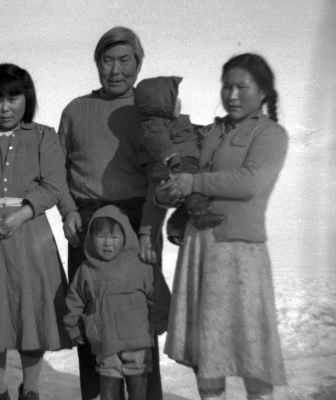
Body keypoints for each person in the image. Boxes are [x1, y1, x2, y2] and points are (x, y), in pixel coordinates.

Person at [160, 53, 288, 400]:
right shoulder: (211, 132)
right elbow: (182, 170)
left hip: (240, 255)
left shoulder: (271, 134)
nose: (232, 95)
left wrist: (192, 183)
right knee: (208, 349)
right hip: (200, 249)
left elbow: (248, 182)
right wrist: (170, 189)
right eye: (226, 86)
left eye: (241, 87)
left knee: (252, 348)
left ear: (262, 91)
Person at [57, 26, 165, 400]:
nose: (115, 70)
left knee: (139, 319)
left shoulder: (149, 114)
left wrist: (150, 230)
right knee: (91, 317)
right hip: (87, 224)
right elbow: (58, 169)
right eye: (107, 60)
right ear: (97, 64)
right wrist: (68, 210)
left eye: (125, 60)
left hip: (136, 222)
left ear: (139, 63)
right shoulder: (75, 110)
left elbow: (159, 177)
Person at [0, 63, 72, 400]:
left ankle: (31, 388)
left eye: (13, 98)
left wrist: (21, 215)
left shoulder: (43, 136)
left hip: (30, 234)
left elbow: (54, 184)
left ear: (26, 98)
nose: (5, 107)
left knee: (29, 308)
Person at [64, 205, 171, 400]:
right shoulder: (87, 270)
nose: (108, 243)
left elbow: (159, 295)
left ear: (126, 237)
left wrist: (160, 321)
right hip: (105, 344)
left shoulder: (141, 266)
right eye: (101, 237)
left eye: (114, 237)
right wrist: (75, 328)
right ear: (90, 238)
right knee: (109, 392)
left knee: (139, 391)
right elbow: (75, 301)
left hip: (137, 343)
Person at [134, 76, 225, 247]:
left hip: (183, 161)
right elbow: (157, 140)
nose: (180, 101)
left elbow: (192, 133)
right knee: (199, 187)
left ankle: (177, 225)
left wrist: (212, 129)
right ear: (160, 105)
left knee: (195, 190)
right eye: (174, 99)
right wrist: (169, 155)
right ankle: (199, 216)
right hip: (173, 164)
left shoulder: (174, 122)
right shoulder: (153, 124)